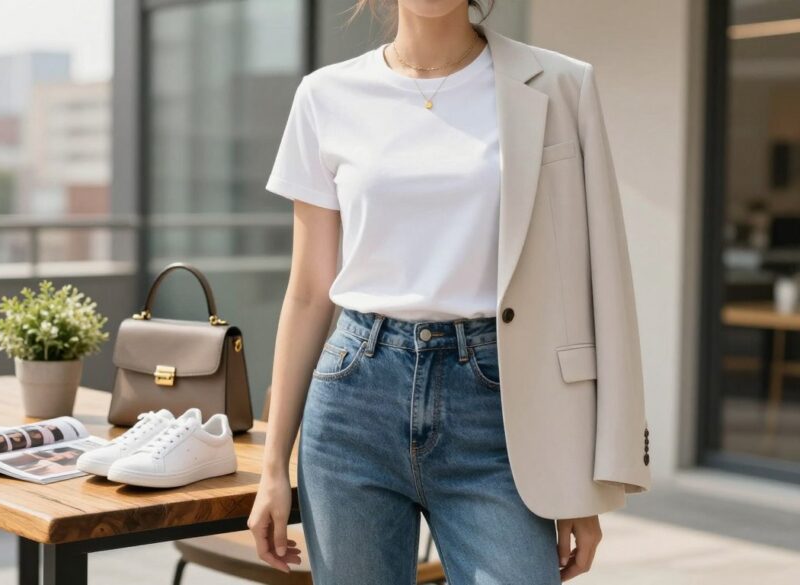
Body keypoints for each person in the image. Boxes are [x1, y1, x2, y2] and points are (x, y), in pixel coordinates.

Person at [247, 1, 652, 583]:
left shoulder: (562, 84)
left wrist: (580, 482)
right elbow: (309, 292)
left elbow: (595, 286)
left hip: (502, 405)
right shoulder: (325, 96)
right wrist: (271, 469)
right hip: (355, 397)